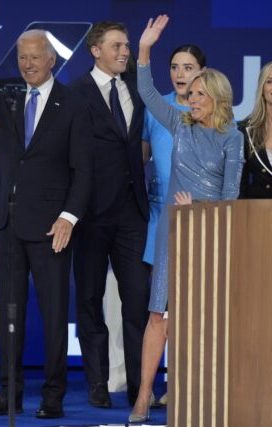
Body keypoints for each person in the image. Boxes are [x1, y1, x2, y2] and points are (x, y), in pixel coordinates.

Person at [0, 29, 92, 419]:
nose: (26, 64)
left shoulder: (72, 103)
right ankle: (9, 394)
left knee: (55, 313)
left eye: (34, 57)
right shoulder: (7, 95)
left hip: (51, 226)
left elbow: (84, 169)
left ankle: (53, 396)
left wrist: (69, 216)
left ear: (51, 60)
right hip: (6, 219)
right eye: (22, 57)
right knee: (10, 311)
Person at [130, 15, 243, 422]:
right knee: (158, 313)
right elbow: (145, 89)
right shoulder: (178, 124)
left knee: (202, 317)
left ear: (217, 97)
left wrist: (199, 213)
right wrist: (145, 47)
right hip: (172, 232)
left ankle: (193, 394)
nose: (190, 100)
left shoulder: (232, 138)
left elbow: (231, 197)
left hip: (209, 234)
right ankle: (144, 394)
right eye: (189, 93)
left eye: (198, 94)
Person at [69, 21, 150, 408]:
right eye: (117, 45)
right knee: (89, 300)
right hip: (90, 215)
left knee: (138, 302)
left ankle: (139, 387)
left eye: (128, 45)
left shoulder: (135, 86)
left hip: (133, 214)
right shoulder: (75, 94)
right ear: (95, 50)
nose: (125, 51)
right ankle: (97, 384)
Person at [141, 44, 206, 408]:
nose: (180, 74)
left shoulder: (210, 114)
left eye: (189, 67)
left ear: (203, 72)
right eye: (175, 67)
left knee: (190, 308)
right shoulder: (159, 109)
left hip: (198, 221)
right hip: (158, 217)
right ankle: (145, 387)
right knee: (157, 306)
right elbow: (142, 158)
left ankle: (180, 384)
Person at [239, 61, 272, 199]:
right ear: (262, 88)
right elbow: (241, 182)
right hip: (258, 212)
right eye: (270, 82)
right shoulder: (246, 129)